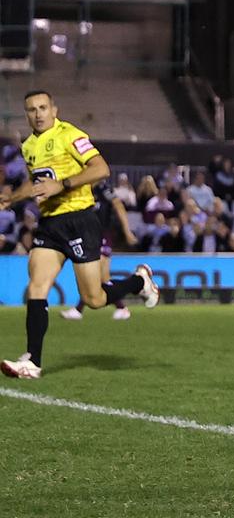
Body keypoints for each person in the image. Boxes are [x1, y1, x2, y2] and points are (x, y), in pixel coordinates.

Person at [0, 90, 159, 379]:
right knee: (37, 286)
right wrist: (10, 199)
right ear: (26, 114)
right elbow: (34, 182)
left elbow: (101, 168)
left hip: (80, 220)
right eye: (32, 109)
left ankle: (139, 281)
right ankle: (32, 361)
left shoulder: (69, 134)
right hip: (50, 225)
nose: (38, 114)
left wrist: (63, 184)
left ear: (53, 109)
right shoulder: (29, 146)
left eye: (43, 107)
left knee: (95, 298)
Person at [61, 180, 140, 321]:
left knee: (97, 274)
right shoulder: (79, 189)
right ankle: (121, 308)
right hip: (87, 236)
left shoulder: (103, 189)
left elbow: (118, 206)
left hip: (103, 234)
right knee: (101, 277)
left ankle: (80, 310)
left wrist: (127, 231)